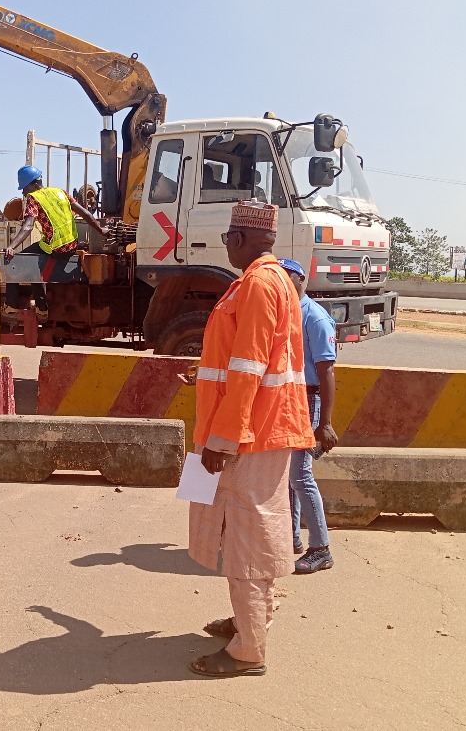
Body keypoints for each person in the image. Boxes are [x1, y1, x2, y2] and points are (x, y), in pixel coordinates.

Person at [186, 200, 314, 678]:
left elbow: (248, 368)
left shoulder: (259, 284)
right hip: (257, 428)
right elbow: (236, 364)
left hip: (249, 434)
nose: (226, 248)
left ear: (238, 239)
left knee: (246, 535)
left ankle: (248, 649)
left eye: (226, 241)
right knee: (243, 529)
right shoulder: (273, 279)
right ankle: (250, 620)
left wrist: (223, 438)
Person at [279, 258, 339, 574]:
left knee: (301, 475)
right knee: (290, 475)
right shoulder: (285, 313)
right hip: (290, 400)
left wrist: (324, 423)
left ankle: (321, 549)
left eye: (286, 277)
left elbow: (326, 371)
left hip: (307, 400)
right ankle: (292, 537)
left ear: (301, 279)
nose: (281, 284)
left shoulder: (314, 318)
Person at [2, 165, 104, 321]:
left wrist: (11, 247)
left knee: (17, 261)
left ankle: (11, 306)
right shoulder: (60, 192)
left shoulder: (34, 199)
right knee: (34, 264)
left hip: (55, 248)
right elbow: (85, 213)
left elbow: (28, 226)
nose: (23, 192)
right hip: (71, 246)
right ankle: (41, 309)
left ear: (33, 184)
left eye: (24, 188)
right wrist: (101, 230)